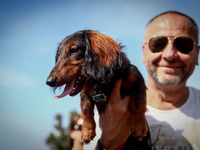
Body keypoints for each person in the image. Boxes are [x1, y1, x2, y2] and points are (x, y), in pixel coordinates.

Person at [84, 11, 200, 150]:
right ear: (144, 52)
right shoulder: (102, 119)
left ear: (197, 54)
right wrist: (107, 144)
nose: (170, 55)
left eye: (183, 44)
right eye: (158, 43)